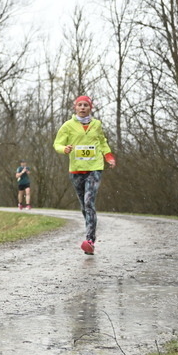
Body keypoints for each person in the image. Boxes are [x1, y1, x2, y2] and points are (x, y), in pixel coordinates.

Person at [53, 94, 115, 255]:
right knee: (83, 205)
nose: (82, 108)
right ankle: (90, 236)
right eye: (79, 105)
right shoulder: (68, 125)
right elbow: (57, 143)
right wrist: (63, 149)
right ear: (75, 108)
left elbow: (102, 142)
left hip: (94, 168)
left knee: (89, 202)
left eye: (85, 105)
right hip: (76, 170)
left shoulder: (97, 125)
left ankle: (89, 240)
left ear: (90, 108)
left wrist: (108, 157)